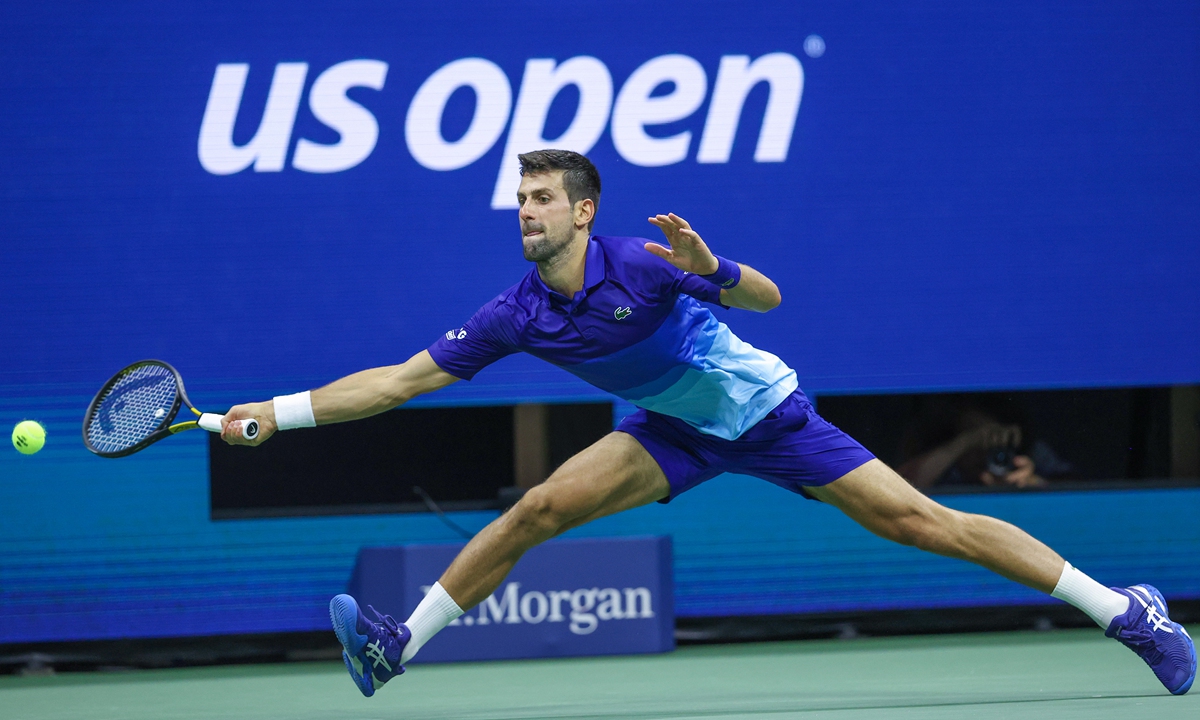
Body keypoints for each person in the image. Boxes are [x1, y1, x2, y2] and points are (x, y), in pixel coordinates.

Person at [218, 150, 1195, 697]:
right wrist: (282, 412)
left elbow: (768, 299)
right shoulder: (515, 311)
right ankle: (397, 646)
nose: (525, 211)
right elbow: (396, 381)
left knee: (923, 525)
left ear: (585, 210)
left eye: (542, 198)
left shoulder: (643, 264)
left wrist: (717, 267)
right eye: (519, 198)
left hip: (765, 414)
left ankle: (1125, 610)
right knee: (539, 508)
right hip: (671, 427)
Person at [896, 394, 1076, 491]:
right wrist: (965, 442)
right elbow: (897, 488)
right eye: (975, 436)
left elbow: (1079, 491)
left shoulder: (1025, 454)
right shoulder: (947, 467)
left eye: (993, 436)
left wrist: (1034, 483)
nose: (984, 446)